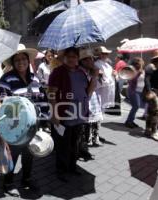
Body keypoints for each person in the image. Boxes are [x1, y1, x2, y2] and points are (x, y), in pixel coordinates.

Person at [0, 43, 47, 197]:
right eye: (17, 60)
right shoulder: (7, 78)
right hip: (15, 126)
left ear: (27, 60)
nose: (21, 62)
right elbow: (3, 101)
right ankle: (8, 183)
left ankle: (26, 179)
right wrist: (18, 103)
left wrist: (44, 120)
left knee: (29, 153)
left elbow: (43, 99)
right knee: (12, 155)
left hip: (34, 124)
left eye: (23, 59)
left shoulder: (35, 78)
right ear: (13, 62)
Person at [48, 47, 92, 181]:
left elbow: (88, 91)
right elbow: (51, 94)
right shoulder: (57, 72)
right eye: (69, 56)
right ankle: (61, 170)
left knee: (75, 143)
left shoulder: (81, 73)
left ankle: (72, 166)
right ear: (64, 58)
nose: (72, 59)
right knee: (63, 145)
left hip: (79, 114)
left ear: (78, 58)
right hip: (64, 114)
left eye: (74, 56)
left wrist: (94, 73)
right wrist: (55, 114)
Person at [79, 49, 103, 147]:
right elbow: (88, 91)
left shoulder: (90, 70)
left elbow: (100, 85)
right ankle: (86, 141)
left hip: (94, 99)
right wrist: (94, 76)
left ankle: (95, 138)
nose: (91, 61)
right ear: (82, 61)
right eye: (87, 59)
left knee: (96, 120)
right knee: (86, 122)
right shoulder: (80, 72)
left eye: (91, 58)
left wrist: (97, 76)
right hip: (86, 100)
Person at [125, 57, 145, 128]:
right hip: (133, 91)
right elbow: (130, 80)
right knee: (136, 106)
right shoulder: (132, 71)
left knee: (136, 106)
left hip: (140, 91)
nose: (140, 64)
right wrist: (138, 74)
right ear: (135, 64)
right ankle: (128, 121)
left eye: (141, 62)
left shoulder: (142, 70)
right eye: (139, 63)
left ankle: (131, 120)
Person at [94, 46, 116, 111]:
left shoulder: (107, 65)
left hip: (107, 90)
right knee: (99, 108)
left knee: (102, 108)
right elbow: (98, 79)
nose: (106, 55)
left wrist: (114, 74)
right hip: (101, 90)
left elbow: (111, 75)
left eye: (106, 53)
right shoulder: (96, 64)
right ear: (99, 54)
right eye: (104, 53)